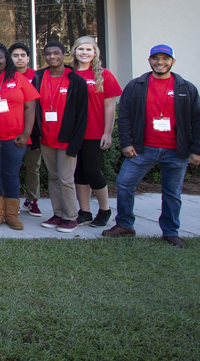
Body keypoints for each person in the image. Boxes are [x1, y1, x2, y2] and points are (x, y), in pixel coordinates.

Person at [103, 44, 200, 248]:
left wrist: (198, 150)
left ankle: (170, 231)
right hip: (142, 149)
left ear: (173, 62)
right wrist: (126, 143)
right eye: (156, 58)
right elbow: (124, 116)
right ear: (149, 60)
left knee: (172, 193)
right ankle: (125, 224)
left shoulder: (186, 88)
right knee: (124, 184)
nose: (160, 62)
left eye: (165, 59)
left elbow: (199, 120)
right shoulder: (136, 86)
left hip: (176, 151)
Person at [0, 42, 39, 231]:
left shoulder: (19, 79)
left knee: (11, 174)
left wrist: (26, 133)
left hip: (15, 138)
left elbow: (30, 107)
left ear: (6, 59)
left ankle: (12, 215)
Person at [32, 41, 88, 233]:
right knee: (53, 178)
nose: (52, 57)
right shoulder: (38, 77)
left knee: (66, 179)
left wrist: (76, 143)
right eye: (48, 54)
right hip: (46, 138)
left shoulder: (76, 80)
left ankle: (71, 217)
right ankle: (58, 213)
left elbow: (82, 115)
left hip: (67, 139)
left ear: (64, 54)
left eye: (56, 53)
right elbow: (33, 109)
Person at [70, 36, 122, 227]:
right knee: (78, 173)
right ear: (74, 51)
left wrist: (107, 132)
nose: (84, 53)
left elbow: (110, 107)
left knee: (92, 170)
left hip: (95, 131)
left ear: (95, 53)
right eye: (80, 49)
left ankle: (105, 209)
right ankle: (84, 212)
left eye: (88, 50)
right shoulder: (69, 73)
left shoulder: (104, 75)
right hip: (74, 133)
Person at [9, 42, 42, 217]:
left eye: (23, 55)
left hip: (32, 130)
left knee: (33, 166)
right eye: (15, 55)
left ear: (29, 58)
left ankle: (32, 200)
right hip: (10, 129)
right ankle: (8, 200)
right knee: (9, 169)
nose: (19, 59)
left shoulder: (37, 77)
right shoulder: (5, 76)